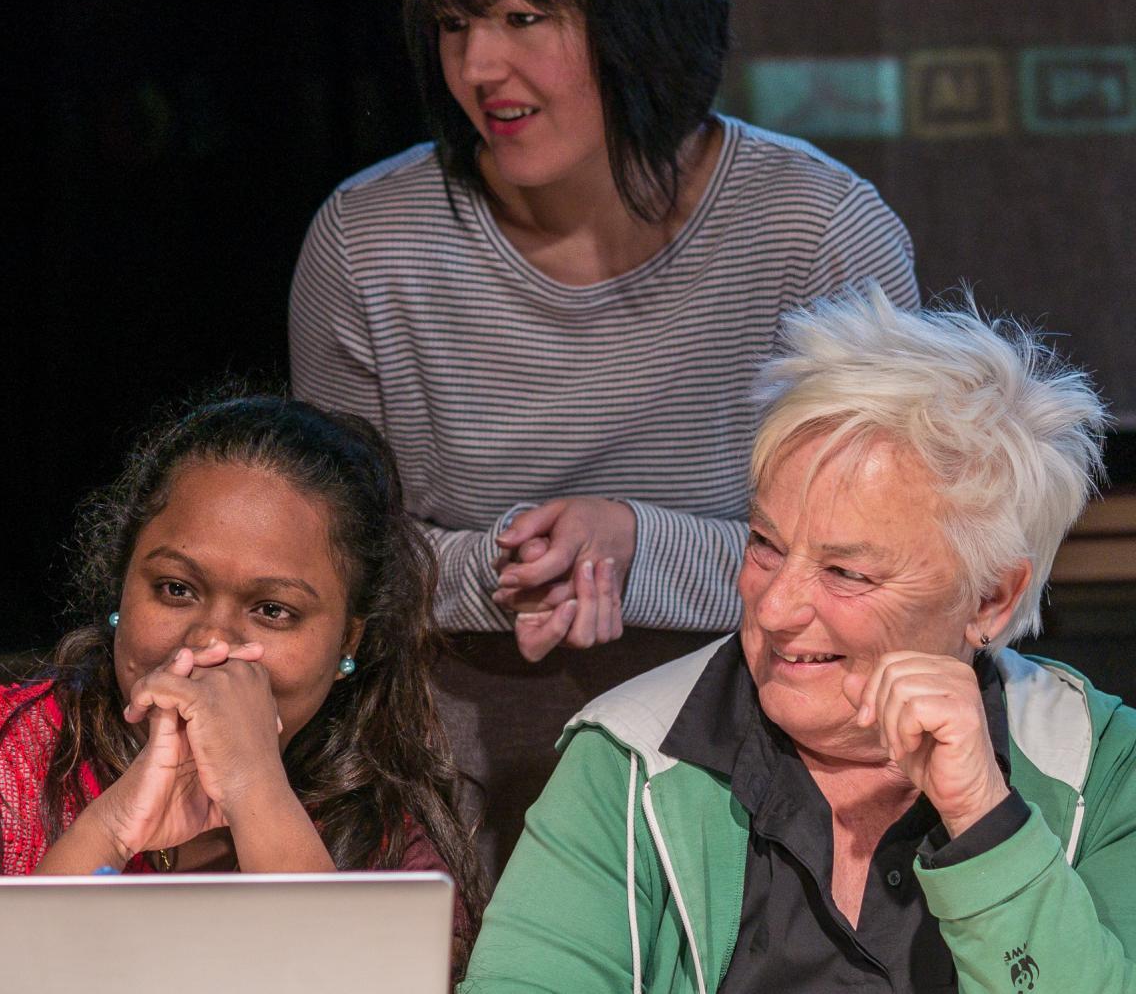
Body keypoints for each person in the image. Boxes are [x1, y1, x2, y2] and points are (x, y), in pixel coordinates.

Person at [288, 0, 918, 874]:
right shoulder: (369, 242)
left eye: (525, 18)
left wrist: (635, 544)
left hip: (770, 785)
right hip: (447, 796)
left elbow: (895, 572)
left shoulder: (816, 233)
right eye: (454, 24)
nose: (482, 69)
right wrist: (511, 569)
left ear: (645, 12)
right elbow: (323, 568)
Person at [461, 285, 1136, 991]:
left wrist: (983, 820)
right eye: (765, 543)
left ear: (991, 596)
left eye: (846, 571)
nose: (776, 606)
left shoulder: (1101, 765)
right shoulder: (627, 761)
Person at [0, 396, 484, 959]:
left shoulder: (390, 849)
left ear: (348, 639)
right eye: (176, 588)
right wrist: (109, 830)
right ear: (122, 584)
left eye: (273, 610)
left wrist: (257, 791)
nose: (209, 643)